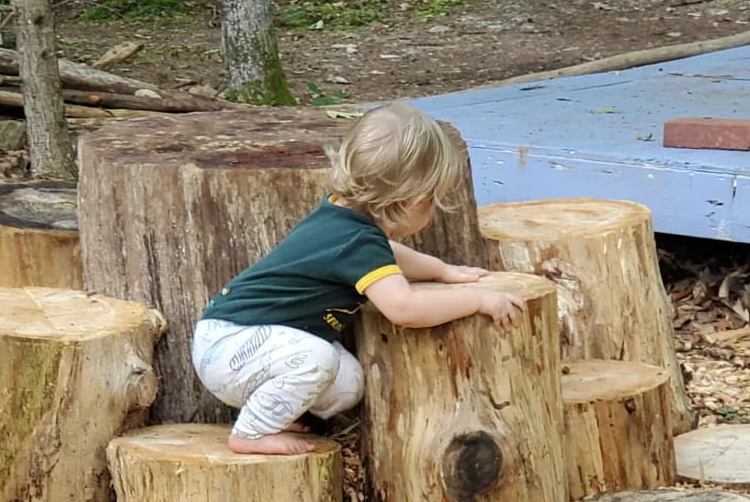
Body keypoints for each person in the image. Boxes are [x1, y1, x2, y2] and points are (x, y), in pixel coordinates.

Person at [191, 102, 525, 455]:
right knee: (316, 359)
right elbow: (404, 308)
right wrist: (478, 299)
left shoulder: (344, 218)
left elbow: (388, 254)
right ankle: (250, 434)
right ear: (414, 201)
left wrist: (441, 270)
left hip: (242, 345)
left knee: (348, 383)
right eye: (434, 201)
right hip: (231, 344)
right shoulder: (356, 240)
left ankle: (273, 412)